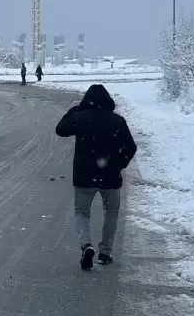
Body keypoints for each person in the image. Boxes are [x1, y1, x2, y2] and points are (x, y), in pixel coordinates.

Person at [54, 84, 138, 270]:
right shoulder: (117, 121)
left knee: (82, 212)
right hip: (110, 176)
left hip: (84, 176)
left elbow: (60, 129)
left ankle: (86, 245)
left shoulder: (80, 117)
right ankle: (105, 253)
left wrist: (75, 110)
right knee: (111, 213)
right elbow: (131, 147)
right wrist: (119, 164)